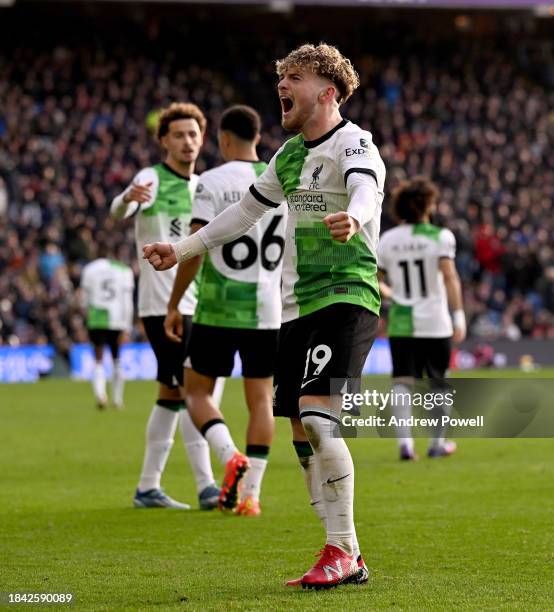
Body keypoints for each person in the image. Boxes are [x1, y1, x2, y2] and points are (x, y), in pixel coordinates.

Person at [143, 44, 386, 588]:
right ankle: (343, 548)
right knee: (301, 429)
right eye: (281, 76)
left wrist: (357, 215)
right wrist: (182, 250)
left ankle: (341, 550)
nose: (282, 85)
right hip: (295, 305)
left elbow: (367, 186)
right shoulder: (289, 155)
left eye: (294, 77)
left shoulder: (354, 142)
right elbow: (246, 212)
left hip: (345, 293)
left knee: (318, 415)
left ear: (327, 91)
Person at [165, 105, 286, 516]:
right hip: (268, 309)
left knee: (194, 391)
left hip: (218, 308)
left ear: (224, 138)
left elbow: (197, 246)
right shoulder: (280, 180)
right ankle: (251, 495)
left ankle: (229, 454)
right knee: (261, 401)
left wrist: (176, 301)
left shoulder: (211, 182)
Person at [110, 103, 220, 511]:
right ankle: (208, 485)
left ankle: (147, 487)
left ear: (202, 139)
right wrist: (126, 198)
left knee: (172, 393)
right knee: (194, 391)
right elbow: (119, 211)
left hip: (199, 302)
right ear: (163, 141)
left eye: (193, 134)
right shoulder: (150, 179)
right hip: (161, 305)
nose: (187, 142)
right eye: (178, 135)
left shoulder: (204, 187)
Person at [377, 176, 466, 460]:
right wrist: (459, 315)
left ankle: (405, 445)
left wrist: (395, 295)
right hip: (435, 321)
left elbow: (374, 279)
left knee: (402, 382)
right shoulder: (440, 237)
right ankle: (437, 444)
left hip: (402, 322)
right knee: (438, 383)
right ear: (427, 204)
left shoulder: (388, 240)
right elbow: (450, 277)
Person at [80, 248, 134, 410]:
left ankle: (100, 395)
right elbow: (127, 301)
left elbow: (84, 300)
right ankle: (117, 400)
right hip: (118, 319)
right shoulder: (124, 270)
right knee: (117, 359)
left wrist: (86, 319)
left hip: (97, 318)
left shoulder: (89, 269)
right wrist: (127, 326)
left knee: (98, 359)